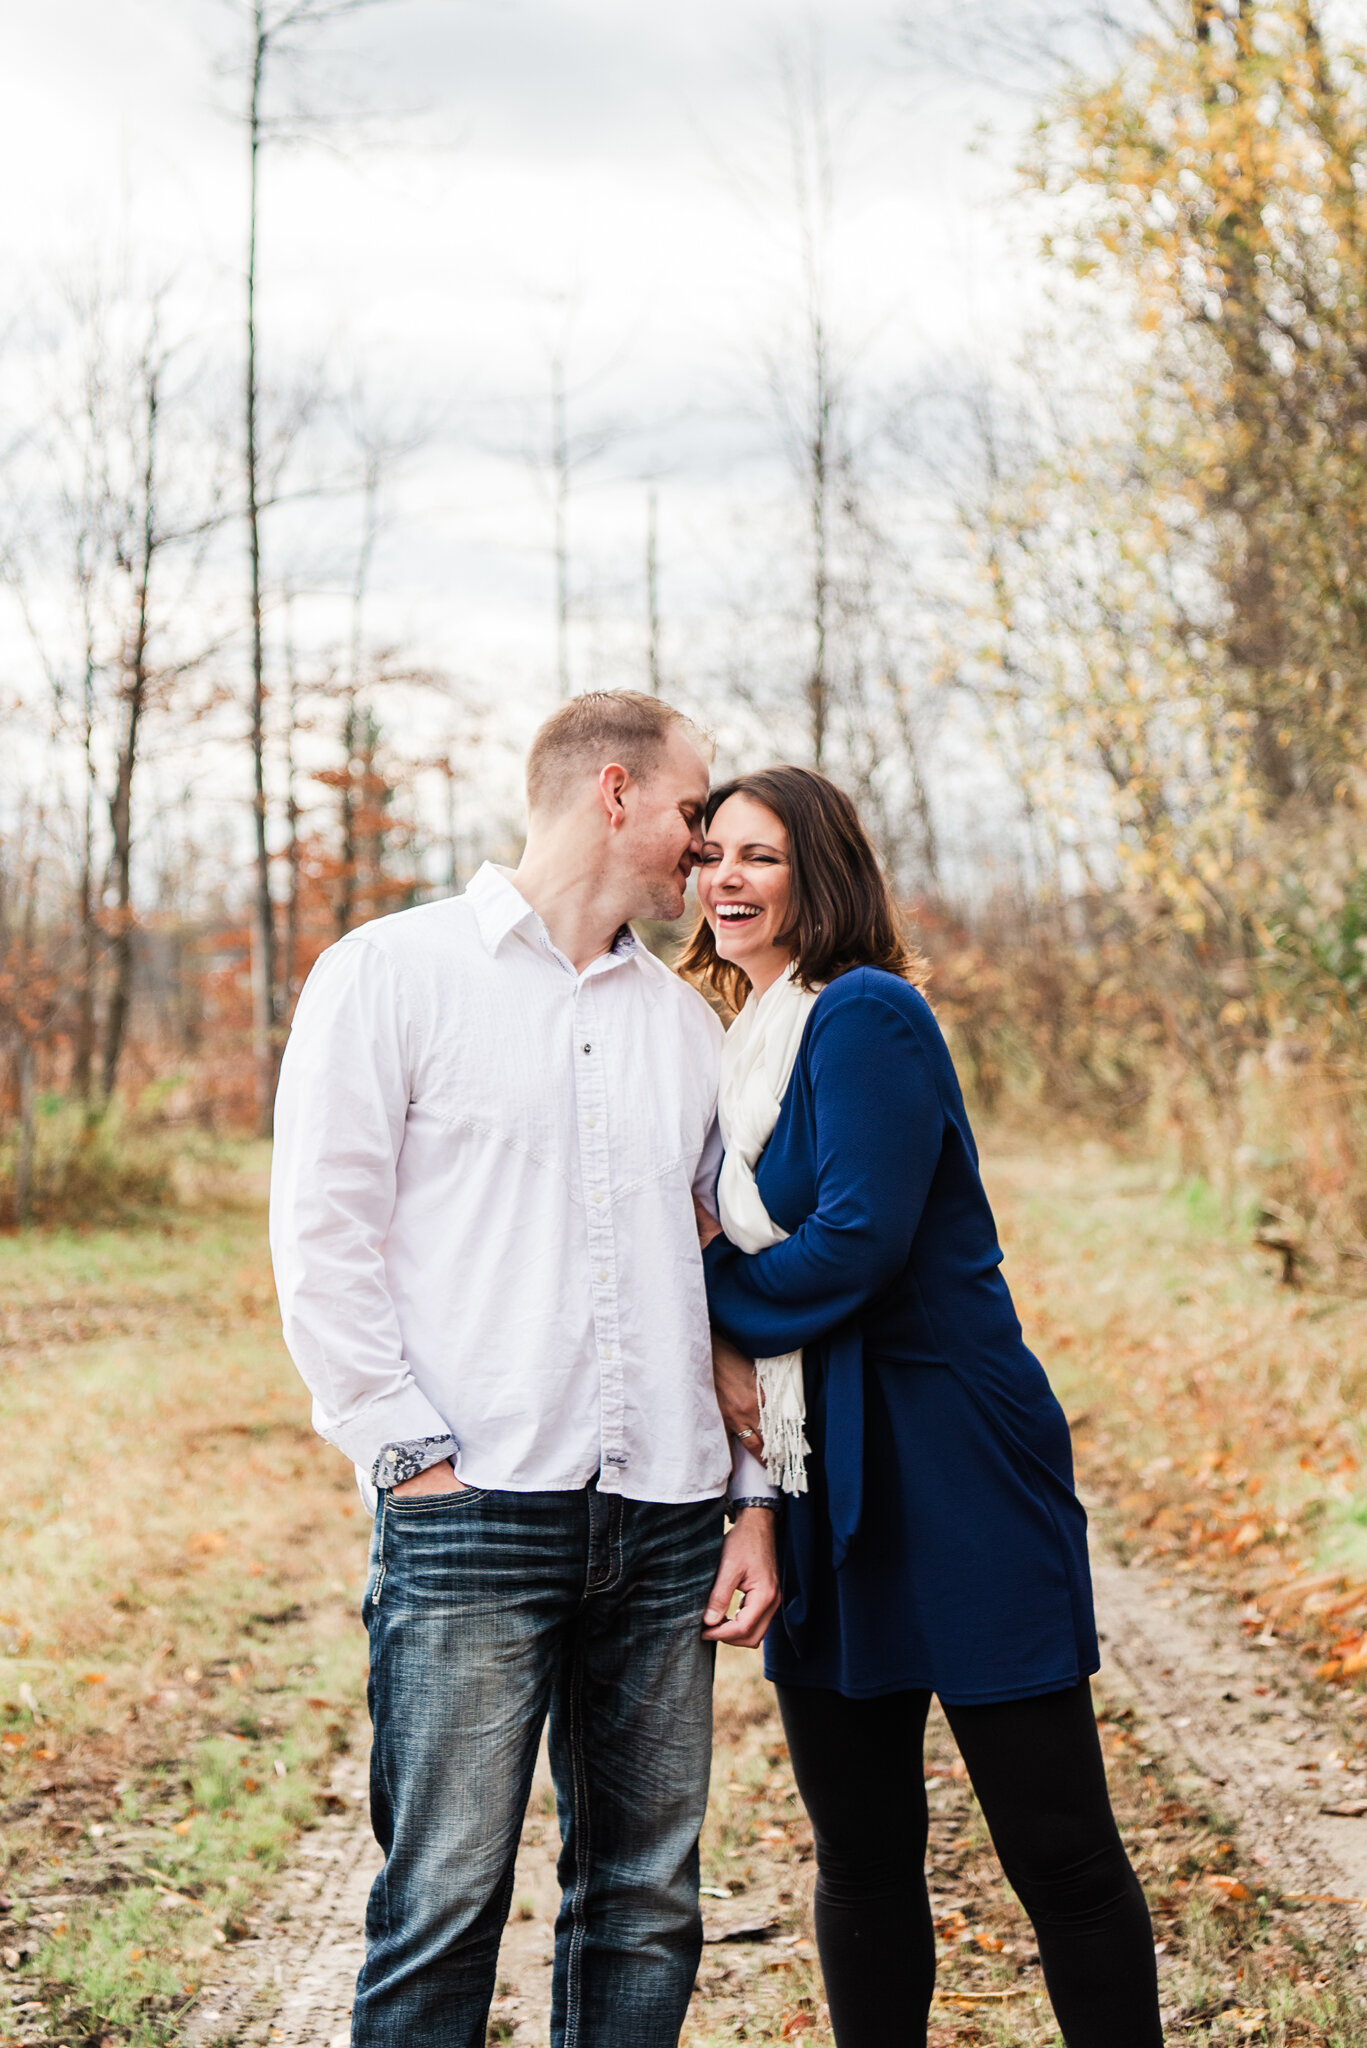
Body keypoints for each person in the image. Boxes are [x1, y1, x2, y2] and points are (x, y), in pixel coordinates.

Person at [268, 691, 781, 2048]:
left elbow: (712, 1279)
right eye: (689, 808)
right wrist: (409, 1457)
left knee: (645, 1901)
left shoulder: (683, 1026)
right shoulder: (389, 972)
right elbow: (320, 1238)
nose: (702, 845)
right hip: (473, 1508)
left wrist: (743, 1490)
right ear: (613, 794)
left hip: (664, 1516)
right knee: (440, 1903)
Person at [679, 764, 1164, 2048]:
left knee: (1054, 1843)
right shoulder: (736, 1044)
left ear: (819, 873)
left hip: (950, 1453)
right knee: (861, 1851)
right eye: (711, 852)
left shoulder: (865, 1014)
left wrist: (696, 1301)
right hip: (823, 1468)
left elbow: (855, 1241)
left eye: (760, 855)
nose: (726, 876)